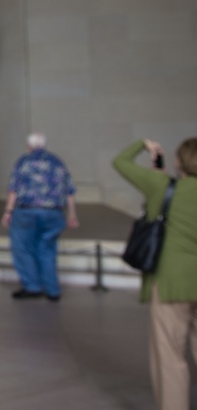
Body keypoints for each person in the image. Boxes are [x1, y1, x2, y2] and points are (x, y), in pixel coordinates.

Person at [113, 138, 197, 410]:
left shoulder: (160, 186)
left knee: (170, 357)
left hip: (171, 281)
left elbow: (120, 162)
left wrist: (141, 145)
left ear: (178, 162)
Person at [1, 133, 79, 301]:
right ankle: (52, 290)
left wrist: (8, 211)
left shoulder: (23, 162)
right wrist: (72, 214)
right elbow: (69, 191)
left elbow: (13, 189)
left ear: (29, 146)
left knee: (22, 248)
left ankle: (32, 286)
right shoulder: (58, 162)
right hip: (54, 212)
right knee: (48, 250)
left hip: (27, 211)